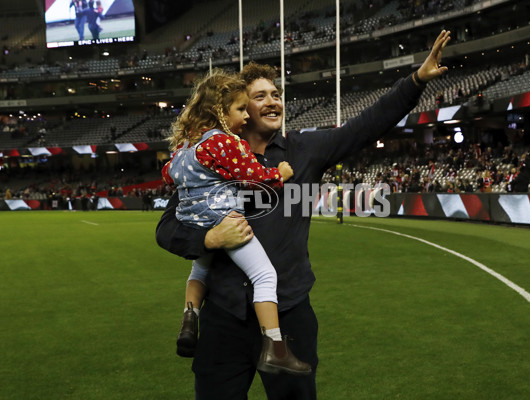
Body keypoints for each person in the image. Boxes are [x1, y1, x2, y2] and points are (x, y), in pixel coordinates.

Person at [156, 30, 451, 400]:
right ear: (240, 109)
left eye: (276, 95)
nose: (272, 102)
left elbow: (367, 125)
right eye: (259, 96)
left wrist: (416, 81)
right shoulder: (211, 157)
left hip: (289, 313)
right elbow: (167, 228)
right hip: (224, 318)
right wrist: (208, 239)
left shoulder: (305, 151)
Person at [161, 70, 311, 375]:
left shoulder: (186, 147)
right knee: (265, 276)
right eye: (241, 109)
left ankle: (190, 319)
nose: (246, 117)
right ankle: (275, 348)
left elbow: (169, 175)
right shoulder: (222, 143)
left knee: (200, 269)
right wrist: (279, 175)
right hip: (225, 219)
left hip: (195, 221)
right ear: (220, 110)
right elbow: (254, 177)